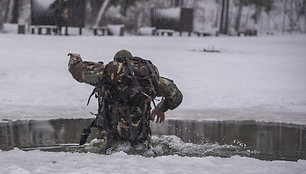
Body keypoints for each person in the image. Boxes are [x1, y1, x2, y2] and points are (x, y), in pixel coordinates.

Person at [68, 50, 183, 150]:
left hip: (111, 140)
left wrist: (75, 58)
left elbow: (77, 71)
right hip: (142, 140)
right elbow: (176, 96)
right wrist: (161, 108)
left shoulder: (106, 75)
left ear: (116, 61)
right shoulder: (148, 80)